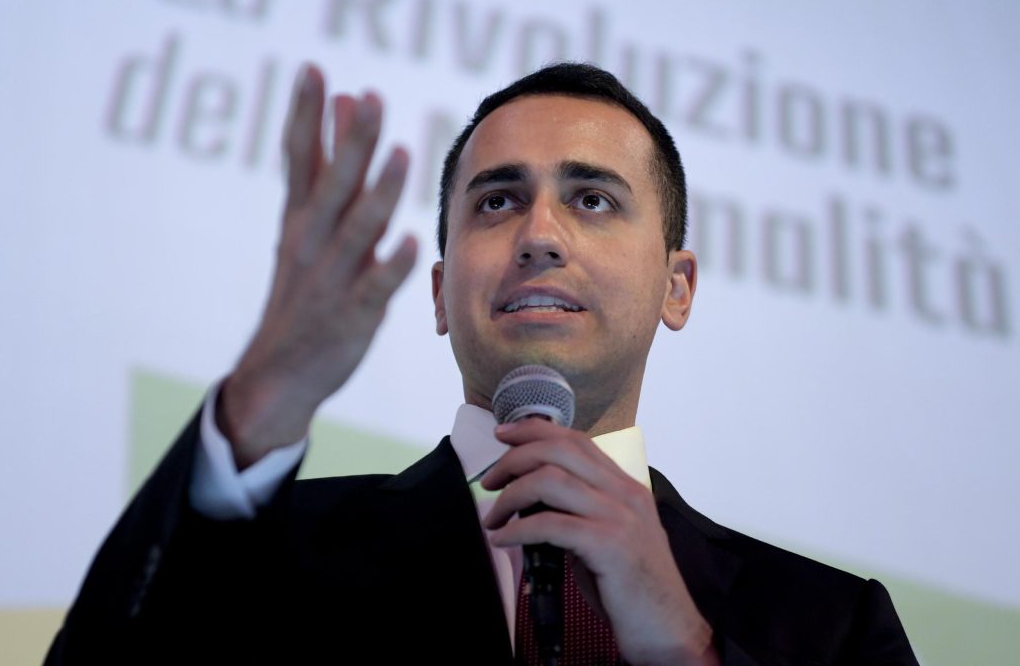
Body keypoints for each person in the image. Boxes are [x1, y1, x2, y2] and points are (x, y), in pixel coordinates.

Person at [46, 63, 919, 665]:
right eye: (498, 201)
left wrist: (688, 650)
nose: (540, 236)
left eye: (592, 199)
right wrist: (256, 407)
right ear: (439, 294)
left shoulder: (830, 625)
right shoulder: (276, 554)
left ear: (677, 287)